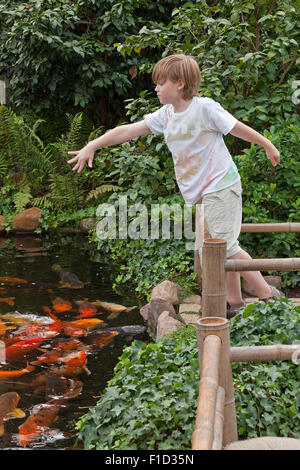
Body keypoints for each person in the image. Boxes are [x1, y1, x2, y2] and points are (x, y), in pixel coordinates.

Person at [67, 54, 283, 318]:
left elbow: (236, 128)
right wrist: (92, 145)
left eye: (160, 83)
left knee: (224, 248)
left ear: (179, 84)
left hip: (221, 185)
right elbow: (128, 130)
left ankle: (267, 297)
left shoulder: (205, 108)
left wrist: (267, 145)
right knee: (221, 247)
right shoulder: (166, 115)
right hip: (202, 193)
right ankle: (235, 304)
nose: (156, 88)